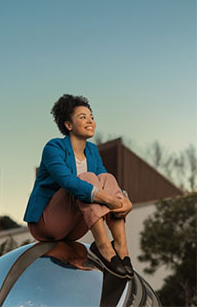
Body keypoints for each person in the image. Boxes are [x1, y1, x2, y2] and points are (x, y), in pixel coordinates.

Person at [23, 94, 134, 278]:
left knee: (106, 178)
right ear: (68, 125)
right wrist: (109, 200)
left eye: (92, 117)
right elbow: (68, 182)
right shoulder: (54, 148)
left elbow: (105, 182)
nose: (90, 121)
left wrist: (124, 199)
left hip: (74, 227)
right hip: (47, 223)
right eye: (83, 117)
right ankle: (103, 247)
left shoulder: (92, 150)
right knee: (88, 178)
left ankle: (121, 249)